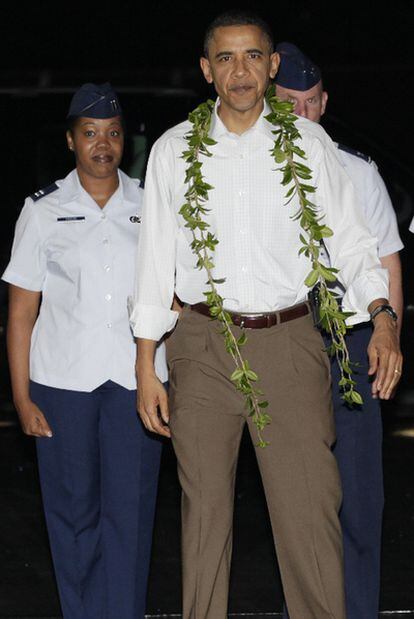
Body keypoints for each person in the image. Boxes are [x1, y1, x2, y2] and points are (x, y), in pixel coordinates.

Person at [129, 10, 402, 619]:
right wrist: (146, 364)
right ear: (207, 71)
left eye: (252, 56)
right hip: (200, 343)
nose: (240, 70)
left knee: (309, 510)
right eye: (225, 58)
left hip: (290, 341)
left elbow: (355, 243)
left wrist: (382, 316)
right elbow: (153, 264)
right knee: (205, 516)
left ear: (272, 65)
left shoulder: (308, 143)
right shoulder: (175, 150)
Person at [2, 83, 167, 619]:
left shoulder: (153, 204)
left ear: (127, 141)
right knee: (72, 517)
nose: (103, 145)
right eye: (90, 134)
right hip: (62, 386)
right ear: (71, 141)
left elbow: (176, 294)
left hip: (135, 384)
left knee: (131, 514)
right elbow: (21, 315)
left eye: (113, 134)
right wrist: (22, 399)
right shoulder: (43, 209)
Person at [274, 43, 403, 619]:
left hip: (351, 339)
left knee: (359, 495)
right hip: (281, 339)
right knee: (295, 496)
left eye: (309, 103)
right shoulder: (243, 173)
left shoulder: (358, 172)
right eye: (287, 104)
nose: (299, 114)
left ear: (324, 103)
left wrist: (389, 335)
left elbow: (387, 260)